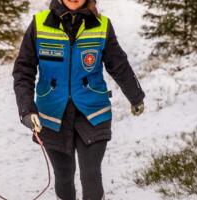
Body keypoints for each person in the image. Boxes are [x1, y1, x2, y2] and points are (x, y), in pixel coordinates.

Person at [12, 0, 145, 199]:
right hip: (52, 116)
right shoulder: (39, 24)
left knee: (91, 175)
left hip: (93, 113)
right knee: (64, 177)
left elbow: (119, 65)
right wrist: (27, 109)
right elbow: (23, 70)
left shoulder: (101, 26)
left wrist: (136, 97)